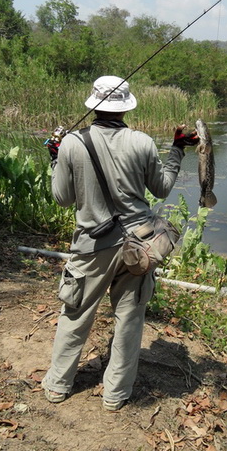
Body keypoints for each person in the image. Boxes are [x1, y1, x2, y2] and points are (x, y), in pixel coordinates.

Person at [41, 75, 198, 411]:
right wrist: (177, 149)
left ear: (94, 104)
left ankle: (57, 386)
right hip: (138, 245)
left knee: (75, 314)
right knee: (129, 320)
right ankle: (115, 395)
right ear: (126, 107)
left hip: (91, 247)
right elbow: (163, 188)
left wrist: (56, 159)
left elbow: (61, 198)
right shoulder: (142, 142)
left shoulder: (71, 143)